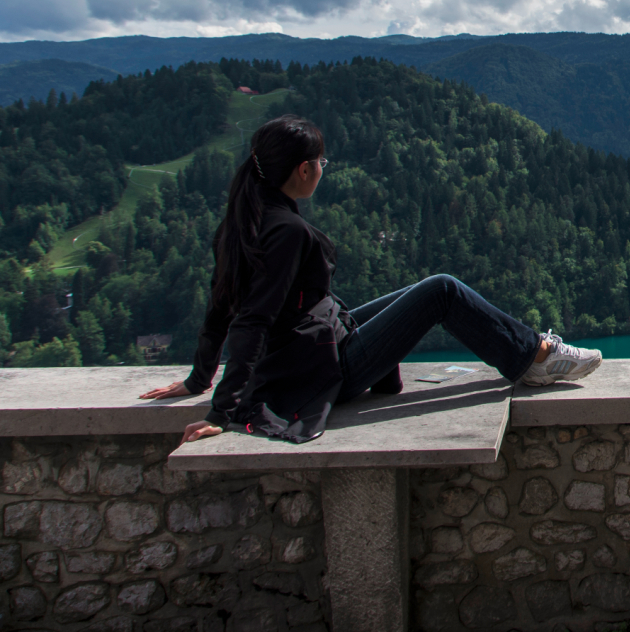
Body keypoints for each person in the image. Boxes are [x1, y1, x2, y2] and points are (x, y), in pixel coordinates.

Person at [140, 114, 602, 444]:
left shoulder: (243, 221)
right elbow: (251, 319)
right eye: (322, 163)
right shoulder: (286, 231)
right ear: (304, 169)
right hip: (322, 368)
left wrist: (199, 379)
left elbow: (220, 306)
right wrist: (222, 411)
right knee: (442, 290)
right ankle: (534, 357)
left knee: (423, 292)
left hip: (312, 347)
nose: (322, 170)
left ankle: (533, 350)